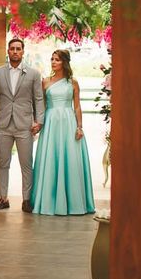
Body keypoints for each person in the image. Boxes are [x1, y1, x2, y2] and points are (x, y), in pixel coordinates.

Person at [31, 49, 95, 215]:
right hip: (51, 123)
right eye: (52, 59)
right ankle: (48, 201)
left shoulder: (72, 82)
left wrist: (79, 127)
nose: (53, 62)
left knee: (70, 160)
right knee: (51, 158)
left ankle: (74, 202)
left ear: (64, 62)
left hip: (68, 123)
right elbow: (41, 106)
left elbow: (77, 106)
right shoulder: (45, 81)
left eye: (57, 59)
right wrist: (38, 123)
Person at [0, 38, 45, 213]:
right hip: (3, 125)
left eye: (18, 49)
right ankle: (3, 198)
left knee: (26, 164)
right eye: (12, 49)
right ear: (8, 51)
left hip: (25, 126)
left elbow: (38, 99)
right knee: (3, 163)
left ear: (23, 51)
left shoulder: (33, 74)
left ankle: (26, 200)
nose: (15, 52)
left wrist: (39, 121)